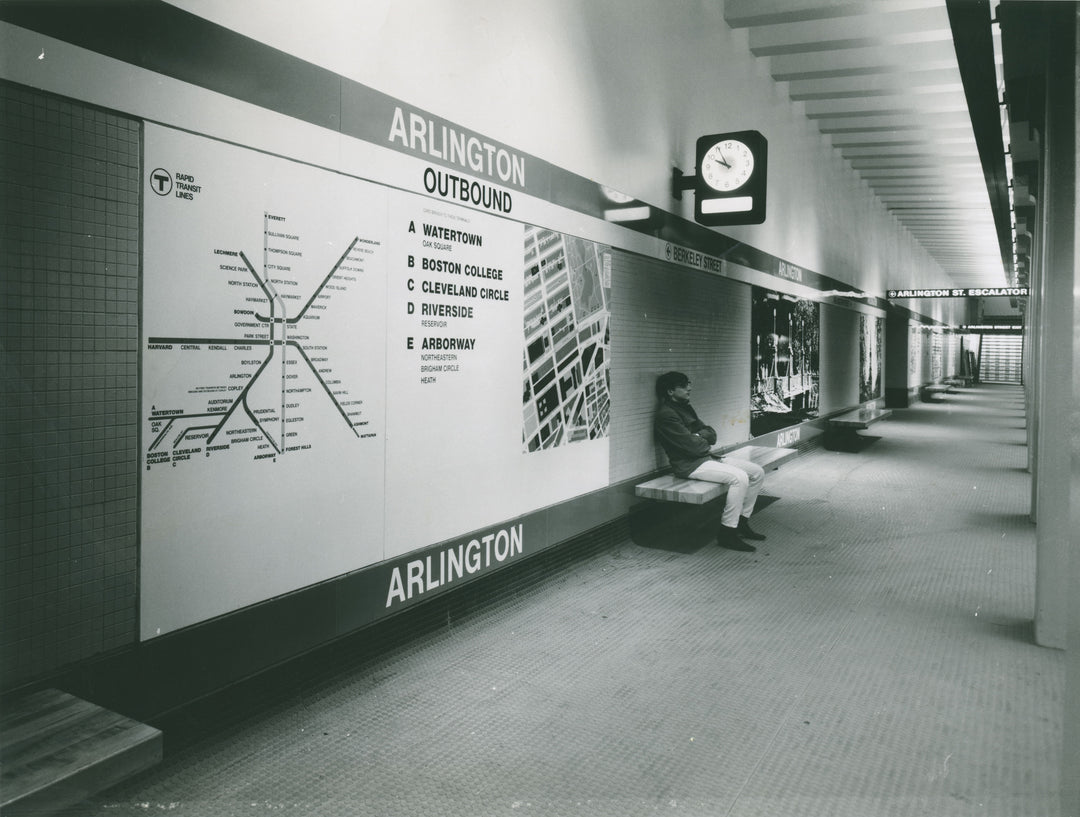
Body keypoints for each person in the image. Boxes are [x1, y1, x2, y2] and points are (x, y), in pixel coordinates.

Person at [654, 371, 766, 552]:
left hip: (705, 459)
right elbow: (693, 447)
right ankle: (727, 533)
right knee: (740, 478)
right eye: (683, 385)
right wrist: (699, 438)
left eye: (688, 383)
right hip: (689, 466)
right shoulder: (666, 415)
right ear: (670, 391)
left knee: (756, 472)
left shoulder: (685, 407)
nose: (689, 388)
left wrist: (698, 436)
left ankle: (741, 523)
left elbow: (711, 434)